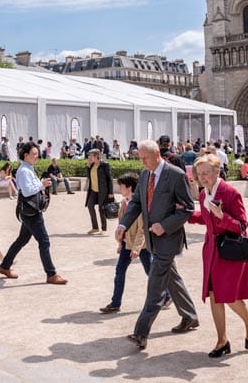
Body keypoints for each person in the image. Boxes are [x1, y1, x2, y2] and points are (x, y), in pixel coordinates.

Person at [115, 139, 199, 350]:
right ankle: (190, 316)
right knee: (171, 278)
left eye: (144, 158)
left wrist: (165, 225)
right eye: (140, 158)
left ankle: (141, 332)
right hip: (152, 239)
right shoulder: (144, 175)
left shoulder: (175, 175)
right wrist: (123, 224)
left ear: (156, 155)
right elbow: (136, 204)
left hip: (168, 237)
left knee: (155, 284)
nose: (141, 162)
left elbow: (188, 208)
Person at [189, 154, 248, 357]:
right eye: (200, 174)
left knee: (228, 295)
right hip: (212, 251)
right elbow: (206, 218)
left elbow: (242, 225)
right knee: (214, 295)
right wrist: (187, 215)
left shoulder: (230, 193)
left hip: (229, 251)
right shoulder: (204, 195)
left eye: (206, 173)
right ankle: (222, 341)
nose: (202, 177)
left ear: (216, 172)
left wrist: (223, 216)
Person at [100, 172, 172, 314]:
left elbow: (143, 229)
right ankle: (115, 303)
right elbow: (122, 224)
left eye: (121, 186)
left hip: (142, 246)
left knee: (151, 272)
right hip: (127, 244)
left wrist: (137, 248)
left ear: (130, 187)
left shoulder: (140, 205)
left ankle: (167, 295)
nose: (119, 188)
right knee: (120, 271)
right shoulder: (123, 203)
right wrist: (120, 243)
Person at [0, 142, 66, 284]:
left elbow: (29, 187)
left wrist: (40, 184)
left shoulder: (28, 168)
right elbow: (27, 191)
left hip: (29, 210)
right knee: (44, 241)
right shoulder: (24, 171)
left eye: (37, 153)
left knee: (22, 240)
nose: (37, 156)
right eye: (33, 154)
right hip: (31, 211)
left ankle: (5, 266)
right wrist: (41, 185)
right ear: (25, 155)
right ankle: (51, 274)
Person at [85, 149, 114, 235]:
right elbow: (89, 177)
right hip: (93, 190)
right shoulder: (92, 165)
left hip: (103, 191)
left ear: (96, 156)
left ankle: (104, 229)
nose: (89, 157)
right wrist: (87, 167)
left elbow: (110, 179)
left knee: (101, 209)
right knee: (90, 206)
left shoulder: (105, 165)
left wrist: (110, 192)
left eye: (91, 155)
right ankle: (95, 228)